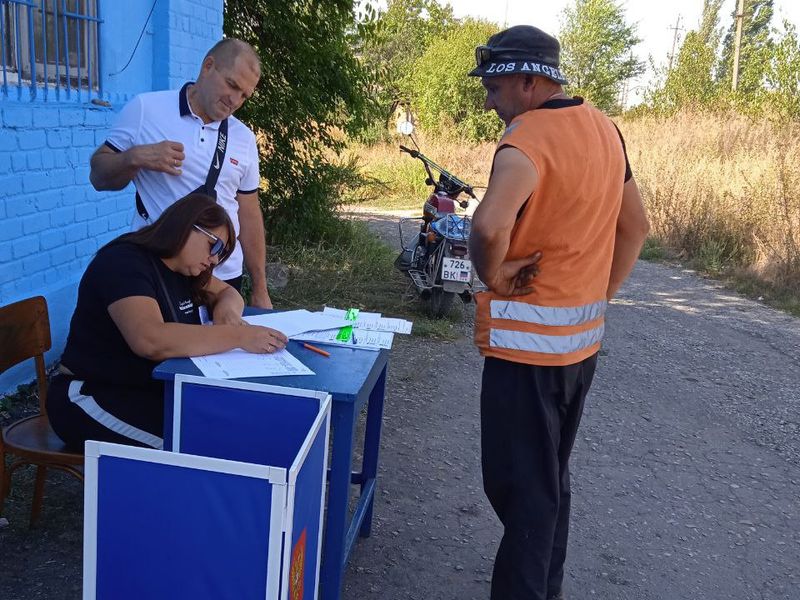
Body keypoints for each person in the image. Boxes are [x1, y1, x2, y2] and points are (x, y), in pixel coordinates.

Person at [467, 25, 650, 600]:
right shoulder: (604, 130)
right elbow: (636, 226)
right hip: (579, 349)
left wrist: (492, 275)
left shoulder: (529, 139)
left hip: (525, 354)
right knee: (548, 484)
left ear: (527, 81)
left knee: (522, 492)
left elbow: (489, 224)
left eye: (493, 87)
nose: (489, 100)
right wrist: (600, 293)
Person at [46, 194, 288, 451]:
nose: (215, 260)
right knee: (190, 448)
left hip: (145, 391)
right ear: (186, 227)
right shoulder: (124, 263)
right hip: (90, 395)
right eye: (214, 246)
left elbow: (228, 293)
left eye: (222, 253)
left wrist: (226, 315)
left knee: (224, 428)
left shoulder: (183, 269)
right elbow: (150, 340)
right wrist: (238, 337)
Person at [89, 38, 272, 308]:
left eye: (245, 95)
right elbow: (98, 175)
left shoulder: (243, 138)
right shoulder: (146, 110)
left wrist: (260, 288)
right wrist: (135, 157)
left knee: (221, 348)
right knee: (160, 348)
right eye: (232, 85)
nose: (235, 100)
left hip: (222, 277)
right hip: (159, 271)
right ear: (208, 67)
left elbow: (248, 212)